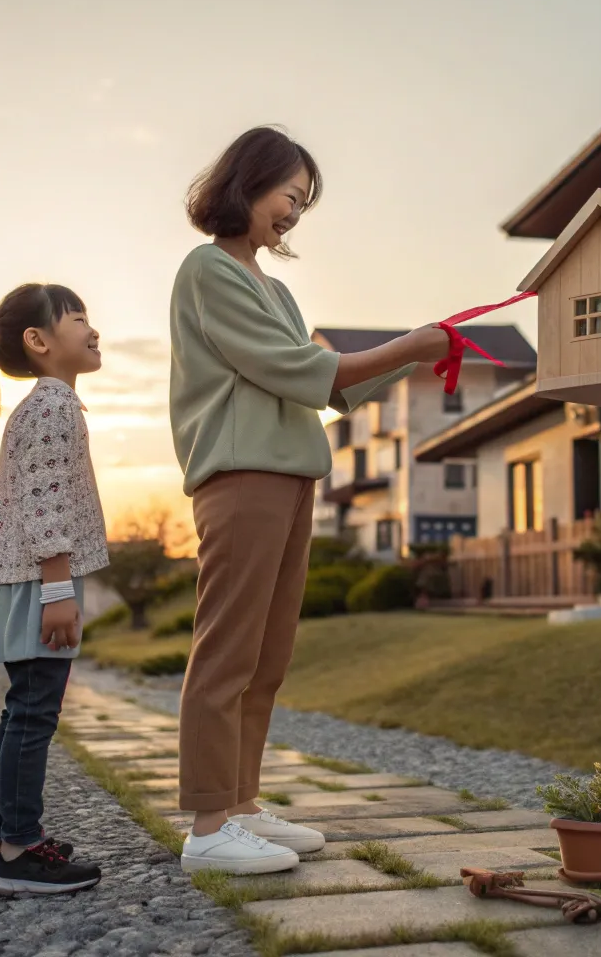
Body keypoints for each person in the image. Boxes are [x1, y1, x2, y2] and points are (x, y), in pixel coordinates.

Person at [168, 126, 449, 874]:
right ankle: (205, 827)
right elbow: (297, 369)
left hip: (291, 475)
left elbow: (332, 386)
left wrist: (419, 354)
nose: (295, 211)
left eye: (303, 202)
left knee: (267, 657)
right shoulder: (207, 270)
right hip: (242, 476)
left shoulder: (276, 288)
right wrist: (410, 347)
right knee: (228, 651)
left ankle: (241, 809)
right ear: (247, 184)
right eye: (289, 194)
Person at [0, 283, 109, 897]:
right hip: (39, 580)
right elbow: (46, 506)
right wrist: (58, 589)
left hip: (30, 577)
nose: (93, 329)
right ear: (38, 342)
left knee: (23, 710)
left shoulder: (47, 405)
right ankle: (17, 850)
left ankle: (9, 839)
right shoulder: (53, 408)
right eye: (78, 319)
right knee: (34, 711)